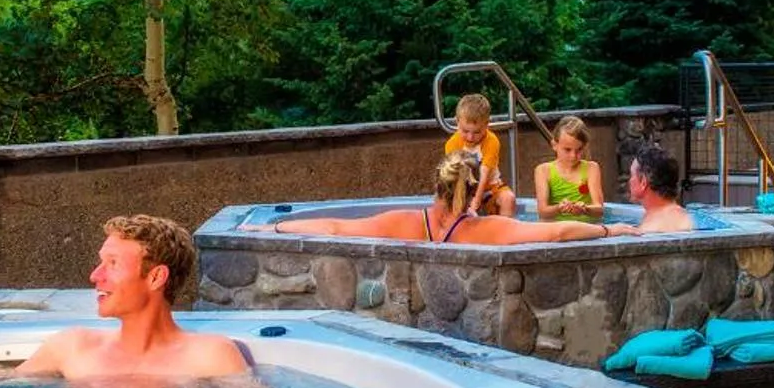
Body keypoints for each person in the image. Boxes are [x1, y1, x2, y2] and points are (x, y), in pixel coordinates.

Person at [18, 215, 251, 380]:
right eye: (101, 262)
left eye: (113, 263)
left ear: (156, 277)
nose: (94, 276)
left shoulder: (210, 356)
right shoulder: (71, 347)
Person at [258, 154, 624, 245]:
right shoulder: (484, 230)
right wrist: (611, 230)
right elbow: (555, 234)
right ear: (473, 190)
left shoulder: (406, 222)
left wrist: (276, 227)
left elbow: (336, 227)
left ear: (437, 186)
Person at [445, 93, 518, 217]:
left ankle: (505, 233)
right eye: (465, 131)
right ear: (457, 121)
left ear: (486, 124)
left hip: (491, 187)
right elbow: (455, 177)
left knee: (508, 199)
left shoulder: (491, 141)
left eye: (477, 132)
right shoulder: (452, 144)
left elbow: (485, 174)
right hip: (465, 189)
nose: (470, 137)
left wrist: (477, 200)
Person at [534, 115, 607, 220]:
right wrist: (559, 208)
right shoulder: (543, 171)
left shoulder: (591, 168)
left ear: (585, 146)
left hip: (586, 228)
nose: (573, 156)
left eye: (579, 150)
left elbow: (599, 210)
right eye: (567, 150)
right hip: (557, 229)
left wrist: (585, 209)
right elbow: (543, 212)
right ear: (554, 145)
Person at [625, 144, 696, 233]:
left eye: (632, 175)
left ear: (643, 182)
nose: (629, 181)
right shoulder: (685, 216)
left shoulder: (651, 229)